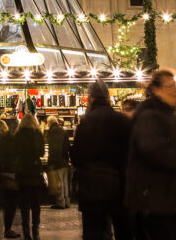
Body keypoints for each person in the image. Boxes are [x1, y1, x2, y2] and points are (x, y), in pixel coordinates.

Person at [125, 68, 176, 240]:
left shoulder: (166, 114)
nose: (175, 91)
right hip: (155, 200)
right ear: (156, 90)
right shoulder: (150, 115)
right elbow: (152, 150)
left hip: (169, 199)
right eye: (170, 86)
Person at [71, 79, 132, 240]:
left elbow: (76, 156)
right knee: (122, 232)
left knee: (93, 232)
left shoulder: (85, 122)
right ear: (108, 97)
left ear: (91, 98)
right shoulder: (122, 120)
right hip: (118, 188)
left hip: (90, 190)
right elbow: (130, 154)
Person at [13, 108, 46, 240]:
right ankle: (36, 230)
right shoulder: (37, 133)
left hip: (22, 172)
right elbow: (41, 152)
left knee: (24, 204)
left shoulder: (18, 134)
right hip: (34, 171)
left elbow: (14, 152)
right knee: (36, 203)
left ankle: (26, 232)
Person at [0, 119, 21, 238]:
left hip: (4, 173)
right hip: (11, 174)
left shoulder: (1, 140)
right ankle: (8, 229)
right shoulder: (12, 141)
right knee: (11, 204)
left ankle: (8, 228)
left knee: (9, 203)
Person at [46, 115, 71, 209]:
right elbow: (67, 144)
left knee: (59, 182)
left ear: (50, 123)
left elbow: (53, 148)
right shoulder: (62, 130)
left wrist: (50, 161)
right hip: (65, 160)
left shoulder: (53, 132)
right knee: (65, 182)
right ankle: (67, 201)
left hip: (58, 161)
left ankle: (60, 202)